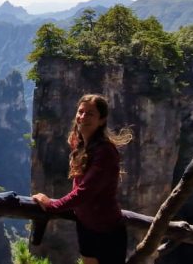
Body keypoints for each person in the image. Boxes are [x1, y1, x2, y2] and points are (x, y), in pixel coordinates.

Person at [32, 93, 132, 264]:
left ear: (102, 120)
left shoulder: (105, 151)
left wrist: (51, 205)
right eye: (80, 112)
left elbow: (86, 191)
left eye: (90, 113)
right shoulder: (81, 146)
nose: (83, 117)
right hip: (86, 227)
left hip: (107, 231)